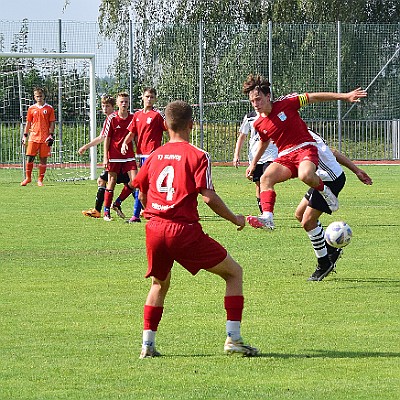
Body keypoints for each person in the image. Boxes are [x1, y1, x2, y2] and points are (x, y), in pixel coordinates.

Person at [133, 100, 259, 358]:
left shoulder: (154, 155)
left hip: (155, 228)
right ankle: (233, 338)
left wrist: (155, 212)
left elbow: (142, 193)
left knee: (159, 284)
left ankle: (147, 344)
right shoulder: (198, 155)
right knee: (234, 273)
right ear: (191, 125)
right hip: (183, 231)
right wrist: (235, 219)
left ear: (166, 125)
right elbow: (209, 197)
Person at [242, 74, 367, 230]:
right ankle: (268, 218)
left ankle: (325, 192)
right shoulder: (259, 123)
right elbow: (264, 141)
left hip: (305, 148)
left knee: (305, 175)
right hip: (285, 156)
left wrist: (345, 96)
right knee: (265, 178)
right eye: (252, 101)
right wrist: (253, 164)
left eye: (258, 99)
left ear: (268, 96)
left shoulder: (286, 103)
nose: (255, 104)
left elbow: (314, 97)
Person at [295, 129, 373, 281]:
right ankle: (331, 249)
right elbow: (333, 153)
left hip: (330, 181)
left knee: (308, 222)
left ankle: (324, 264)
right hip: (320, 180)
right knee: (299, 214)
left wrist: (356, 170)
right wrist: (356, 171)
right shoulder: (303, 133)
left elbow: (330, 154)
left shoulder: (302, 136)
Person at [122, 87, 167, 223]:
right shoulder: (137, 115)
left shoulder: (157, 116)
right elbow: (132, 133)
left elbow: (167, 129)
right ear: (142, 97)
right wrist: (124, 143)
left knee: (145, 184)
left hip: (153, 155)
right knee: (142, 184)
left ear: (155, 99)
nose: (149, 99)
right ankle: (144, 213)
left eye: (152, 97)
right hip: (141, 155)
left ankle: (139, 214)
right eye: (147, 96)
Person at [233, 110, 278, 213]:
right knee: (258, 184)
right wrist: (236, 155)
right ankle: (264, 213)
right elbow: (242, 136)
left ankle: (268, 213)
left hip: (271, 155)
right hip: (254, 156)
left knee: (266, 181)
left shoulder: (274, 115)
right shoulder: (250, 117)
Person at [102, 92, 137, 221]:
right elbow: (107, 139)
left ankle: (117, 203)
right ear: (117, 103)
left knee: (135, 181)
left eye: (126, 102)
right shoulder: (111, 118)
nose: (124, 104)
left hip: (129, 155)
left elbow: (135, 136)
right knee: (111, 182)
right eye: (121, 101)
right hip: (114, 155)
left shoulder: (133, 118)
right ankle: (106, 212)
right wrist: (105, 157)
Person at [21, 87, 56, 186]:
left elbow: (52, 122)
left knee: (43, 158)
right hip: (33, 136)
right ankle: (28, 178)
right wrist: (25, 136)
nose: (39, 98)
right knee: (30, 157)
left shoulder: (49, 108)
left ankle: (40, 180)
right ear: (34, 97)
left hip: (45, 138)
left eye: (41, 96)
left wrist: (51, 135)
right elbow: (28, 123)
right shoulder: (31, 108)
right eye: (37, 96)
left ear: (44, 96)